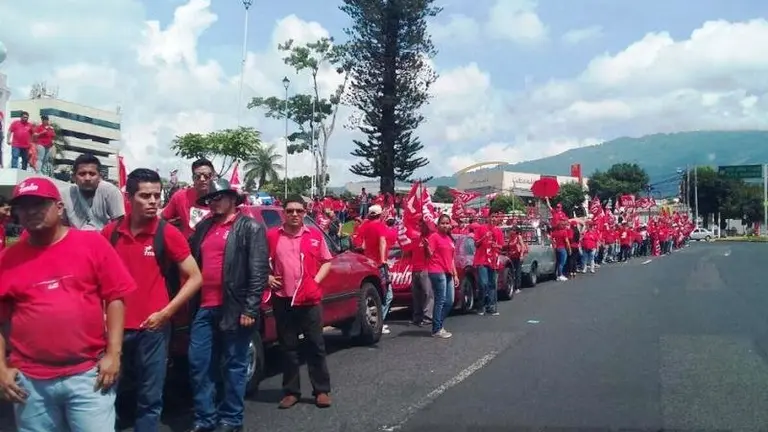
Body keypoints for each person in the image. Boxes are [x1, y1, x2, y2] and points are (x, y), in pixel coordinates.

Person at [0, 177, 136, 431]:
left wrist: (113, 354)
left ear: (59, 207)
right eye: (24, 206)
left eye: (39, 204)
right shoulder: (7, 259)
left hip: (88, 376)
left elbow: (116, 298)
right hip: (29, 381)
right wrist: (1, 368)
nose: (30, 212)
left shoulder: (92, 244)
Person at [102, 168, 203, 431]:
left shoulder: (167, 233)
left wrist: (166, 313)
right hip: (114, 329)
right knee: (106, 393)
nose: (153, 202)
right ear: (129, 196)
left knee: (150, 397)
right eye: (145, 196)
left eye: (157, 196)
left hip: (153, 328)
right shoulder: (110, 233)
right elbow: (95, 279)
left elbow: (194, 277)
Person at [187, 178, 269, 432]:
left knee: (234, 364)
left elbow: (258, 271)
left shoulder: (250, 228)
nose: (214, 202)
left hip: (235, 307)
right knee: (199, 363)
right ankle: (205, 418)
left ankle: (231, 419)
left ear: (233, 199)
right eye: (210, 199)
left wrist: (250, 308)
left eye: (219, 197)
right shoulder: (203, 228)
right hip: (204, 306)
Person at [266, 196, 333, 410]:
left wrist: (315, 281)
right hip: (283, 299)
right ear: (283, 213)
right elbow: (260, 262)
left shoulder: (314, 236)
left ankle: (321, 390)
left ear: (305, 213)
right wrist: (267, 278)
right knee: (288, 347)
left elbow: (327, 262)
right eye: (290, 211)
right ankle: (291, 391)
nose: (294, 214)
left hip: (309, 300)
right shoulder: (272, 236)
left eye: (299, 211)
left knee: (315, 345)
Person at [62, 153, 126, 230]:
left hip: (103, 239)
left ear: (100, 176)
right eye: (82, 174)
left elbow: (120, 225)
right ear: (73, 177)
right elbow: (62, 226)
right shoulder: (65, 194)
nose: (87, 178)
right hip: (76, 239)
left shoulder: (110, 192)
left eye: (92, 174)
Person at [358, 204, 393, 334]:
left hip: (368, 263)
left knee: (374, 293)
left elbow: (362, 244)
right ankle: (379, 321)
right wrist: (383, 259)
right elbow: (382, 242)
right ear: (380, 215)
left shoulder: (364, 226)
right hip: (379, 264)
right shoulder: (380, 226)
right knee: (387, 294)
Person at [162, 158, 213, 238]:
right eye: (198, 176)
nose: (202, 179)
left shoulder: (222, 197)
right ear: (193, 178)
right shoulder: (180, 196)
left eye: (207, 176)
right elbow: (163, 218)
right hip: (187, 247)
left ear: (213, 176)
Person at [426, 214, 459, 338]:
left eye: (447, 223)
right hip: (437, 270)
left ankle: (438, 323)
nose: (445, 225)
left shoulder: (449, 239)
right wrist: (426, 247)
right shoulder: (434, 237)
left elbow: (451, 260)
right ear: (438, 225)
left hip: (448, 272)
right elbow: (430, 254)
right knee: (440, 300)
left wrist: (455, 275)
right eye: (442, 223)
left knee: (450, 301)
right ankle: (437, 328)